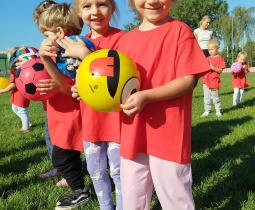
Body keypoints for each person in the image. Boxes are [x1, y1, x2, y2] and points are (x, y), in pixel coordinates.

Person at [117, 0, 210, 209]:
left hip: (169, 133)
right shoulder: (125, 41)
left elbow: (187, 81)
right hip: (132, 133)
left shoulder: (180, 31)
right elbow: (112, 84)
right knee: (132, 198)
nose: (152, 1)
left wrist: (146, 96)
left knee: (175, 196)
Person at [62, 0, 125, 209]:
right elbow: (74, 80)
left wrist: (85, 56)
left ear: (113, 8)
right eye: (87, 6)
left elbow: (116, 78)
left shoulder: (124, 39)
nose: (95, 11)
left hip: (119, 122)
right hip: (91, 122)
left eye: (102, 4)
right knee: (96, 171)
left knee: (119, 171)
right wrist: (75, 87)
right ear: (79, 12)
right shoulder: (78, 42)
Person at [37, 3, 91, 209]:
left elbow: (77, 87)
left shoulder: (74, 51)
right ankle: (79, 187)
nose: (44, 39)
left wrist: (59, 88)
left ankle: (78, 190)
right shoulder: (57, 51)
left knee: (65, 156)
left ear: (59, 31)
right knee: (63, 156)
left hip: (71, 116)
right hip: (59, 116)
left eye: (45, 34)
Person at [32, 0, 67, 186]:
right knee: (50, 134)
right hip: (49, 102)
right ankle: (58, 167)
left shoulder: (62, 48)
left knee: (62, 138)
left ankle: (65, 170)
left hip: (64, 100)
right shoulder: (46, 46)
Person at [0, 47, 32, 133]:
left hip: (21, 94)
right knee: (14, 108)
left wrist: (3, 91)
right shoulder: (18, 69)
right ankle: (26, 121)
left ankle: (25, 128)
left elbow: (13, 85)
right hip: (17, 94)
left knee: (22, 110)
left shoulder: (15, 70)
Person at [201, 39, 226, 117]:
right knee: (206, 98)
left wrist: (213, 68)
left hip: (214, 82)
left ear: (217, 49)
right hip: (206, 82)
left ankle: (218, 110)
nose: (210, 51)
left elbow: (220, 70)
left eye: (212, 49)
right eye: (209, 49)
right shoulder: (207, 58)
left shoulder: (219, 58)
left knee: (215, 97)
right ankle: (207, 110)